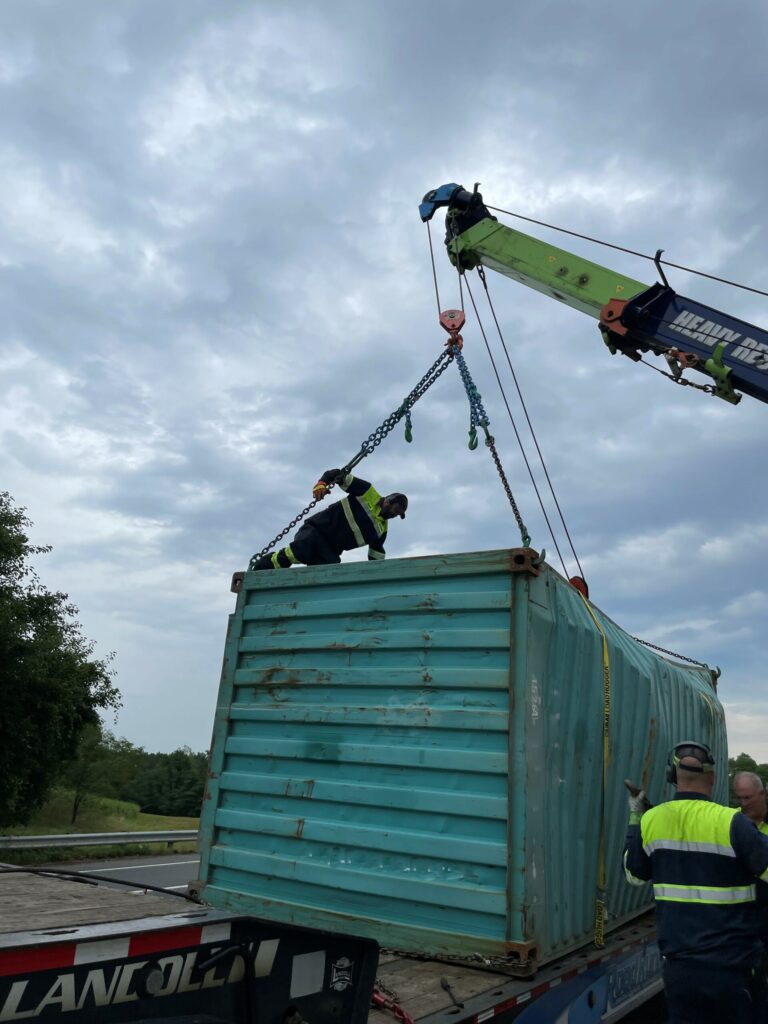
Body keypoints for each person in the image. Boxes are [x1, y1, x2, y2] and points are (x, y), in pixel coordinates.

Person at [624, 740, 768, 1024]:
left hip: (680, 972)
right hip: (733, 969)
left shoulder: (651, 821)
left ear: (672, 776)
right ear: (713, 778)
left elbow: (634, 876)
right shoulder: (732, 823)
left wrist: (635, 818)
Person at [249, 469, 408, 571]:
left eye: (396, 516)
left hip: (331, 550)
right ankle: (258, 570)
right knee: (298, 553)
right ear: (388, 500)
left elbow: (376, 556)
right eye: (393, 512)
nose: (392, 516)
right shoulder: (366, 492)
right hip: (316, 530)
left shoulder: (382, 530)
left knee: (327, 574)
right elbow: (337, 474)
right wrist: (321, 484)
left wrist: (378, 574)